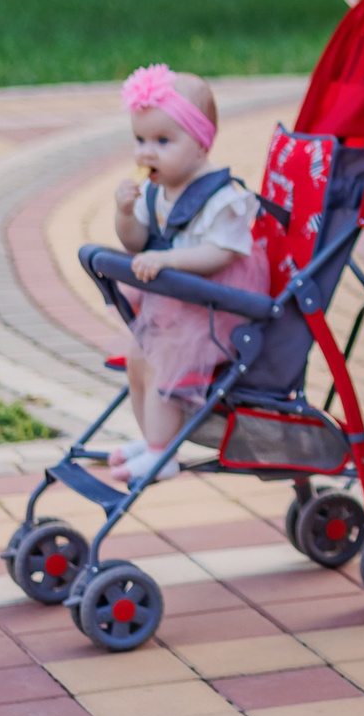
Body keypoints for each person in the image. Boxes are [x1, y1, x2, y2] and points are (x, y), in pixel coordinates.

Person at [106, 64, 262, 486]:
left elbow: (221, 253)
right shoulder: (156, 190)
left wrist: (170, 260)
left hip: (215, 309)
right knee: (138, 361)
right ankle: (152, 441)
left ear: (200, 143)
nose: (147, 153)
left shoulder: (222, 198)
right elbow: (136, 241)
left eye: (162, 141)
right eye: (140, 140)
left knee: (163, 368)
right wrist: (124, 212)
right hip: (175, 306)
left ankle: (163, 453)